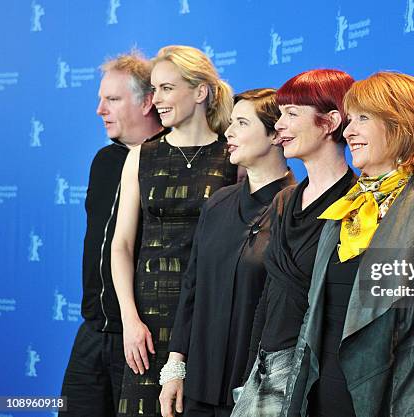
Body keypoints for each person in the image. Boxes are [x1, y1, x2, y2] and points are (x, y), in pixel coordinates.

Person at [281, 72, 414, 417]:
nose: (348, 131)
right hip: (320, 399)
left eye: (363, 119)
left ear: (402, 125)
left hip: (389, 402)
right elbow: (313, 319)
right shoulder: (346, 206)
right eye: (350, 120)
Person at [111, 45, 237, 417]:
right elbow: (121, 245)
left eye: (166, 88)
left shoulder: (232, 155)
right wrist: (129, 319)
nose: (156, 100)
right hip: (147, 320)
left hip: (208, 312)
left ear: (200, 92)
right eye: (153, 89)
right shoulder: (141, 155)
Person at [158, 88, 296, 417]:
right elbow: (192, 288)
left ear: (276, 134)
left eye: (242, 123)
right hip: (198, 390)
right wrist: (175, 367)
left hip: (256, 393)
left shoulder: (297, 209)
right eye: (230, 123)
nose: (229, 133)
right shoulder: (217, 204)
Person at [231, 69, 358, 417]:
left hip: (316, 381)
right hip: (265, 373)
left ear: (330, 122)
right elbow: (268, 298)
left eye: (291, 113)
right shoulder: (285, 201)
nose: (279, 126)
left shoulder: (358, 205)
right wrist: (248, 377)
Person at [59, 50, 164, 417]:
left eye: (113, 99)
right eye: (101, 99)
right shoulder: (103, 162)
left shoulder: (175, 166)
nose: (100, 109)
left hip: (143, 339)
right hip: (92, 331)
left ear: (149, 101)